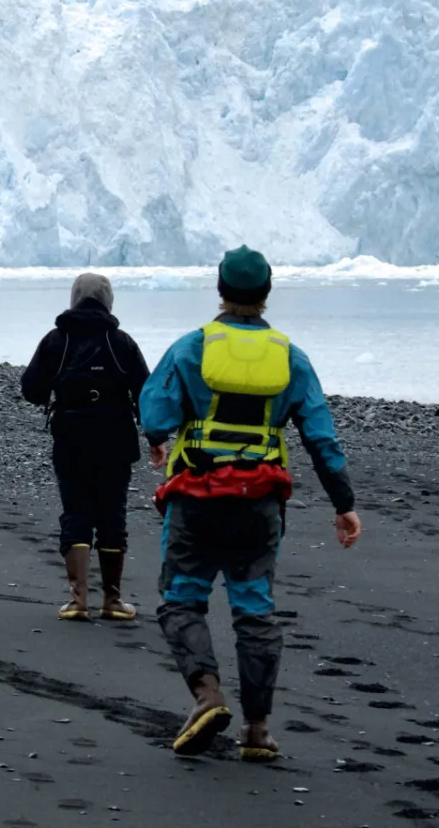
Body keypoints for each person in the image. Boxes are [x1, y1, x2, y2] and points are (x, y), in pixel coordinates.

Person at [141, 246, 362, 762]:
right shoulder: (290, 356)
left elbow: (155, 412)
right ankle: (257, 730)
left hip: (196, 498)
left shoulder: (192, 347)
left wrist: (157, 436)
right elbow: (320, 436)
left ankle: (207, 694)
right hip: (259, 504)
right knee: (254, 610)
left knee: (182, 600)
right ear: (266, 293)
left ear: (220, 290)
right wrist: (343, 503)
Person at [21, 272, 148, 622]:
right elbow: (146, 393)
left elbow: (31, 390)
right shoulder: (120, 341)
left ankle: (78, 599)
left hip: (70, 437)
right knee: (112, 514)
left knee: (76, 511)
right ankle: (113, 600)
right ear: (108, 301)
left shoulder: (56, 340)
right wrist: (155, 436)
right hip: (116, 440)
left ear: (74, 299)